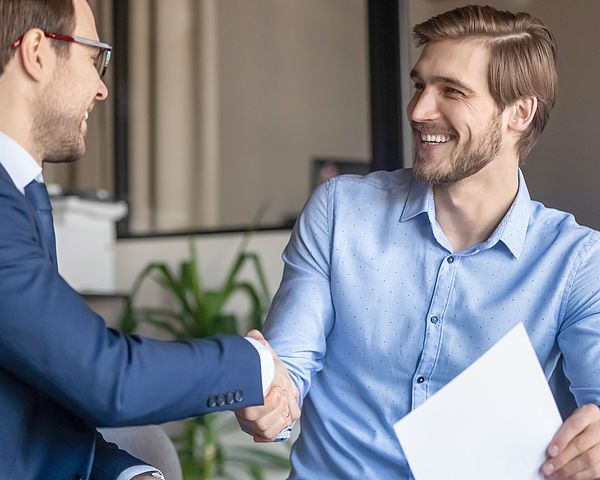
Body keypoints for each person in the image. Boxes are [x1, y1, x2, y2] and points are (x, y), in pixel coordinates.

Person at [236, 5, 600, 479]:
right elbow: (289, 369)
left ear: (519, 113)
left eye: (451, 91)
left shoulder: (577, 262)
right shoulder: (339, 211)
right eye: (420, 85)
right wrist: (272, 403)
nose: (419, 110)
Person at [0, 0, 299, 479]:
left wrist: (129, 474)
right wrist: (253, 364)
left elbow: (34, 408)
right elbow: (108, 378)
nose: (101, 89)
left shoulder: (19, 193)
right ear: (37, 52)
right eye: (93, 58)